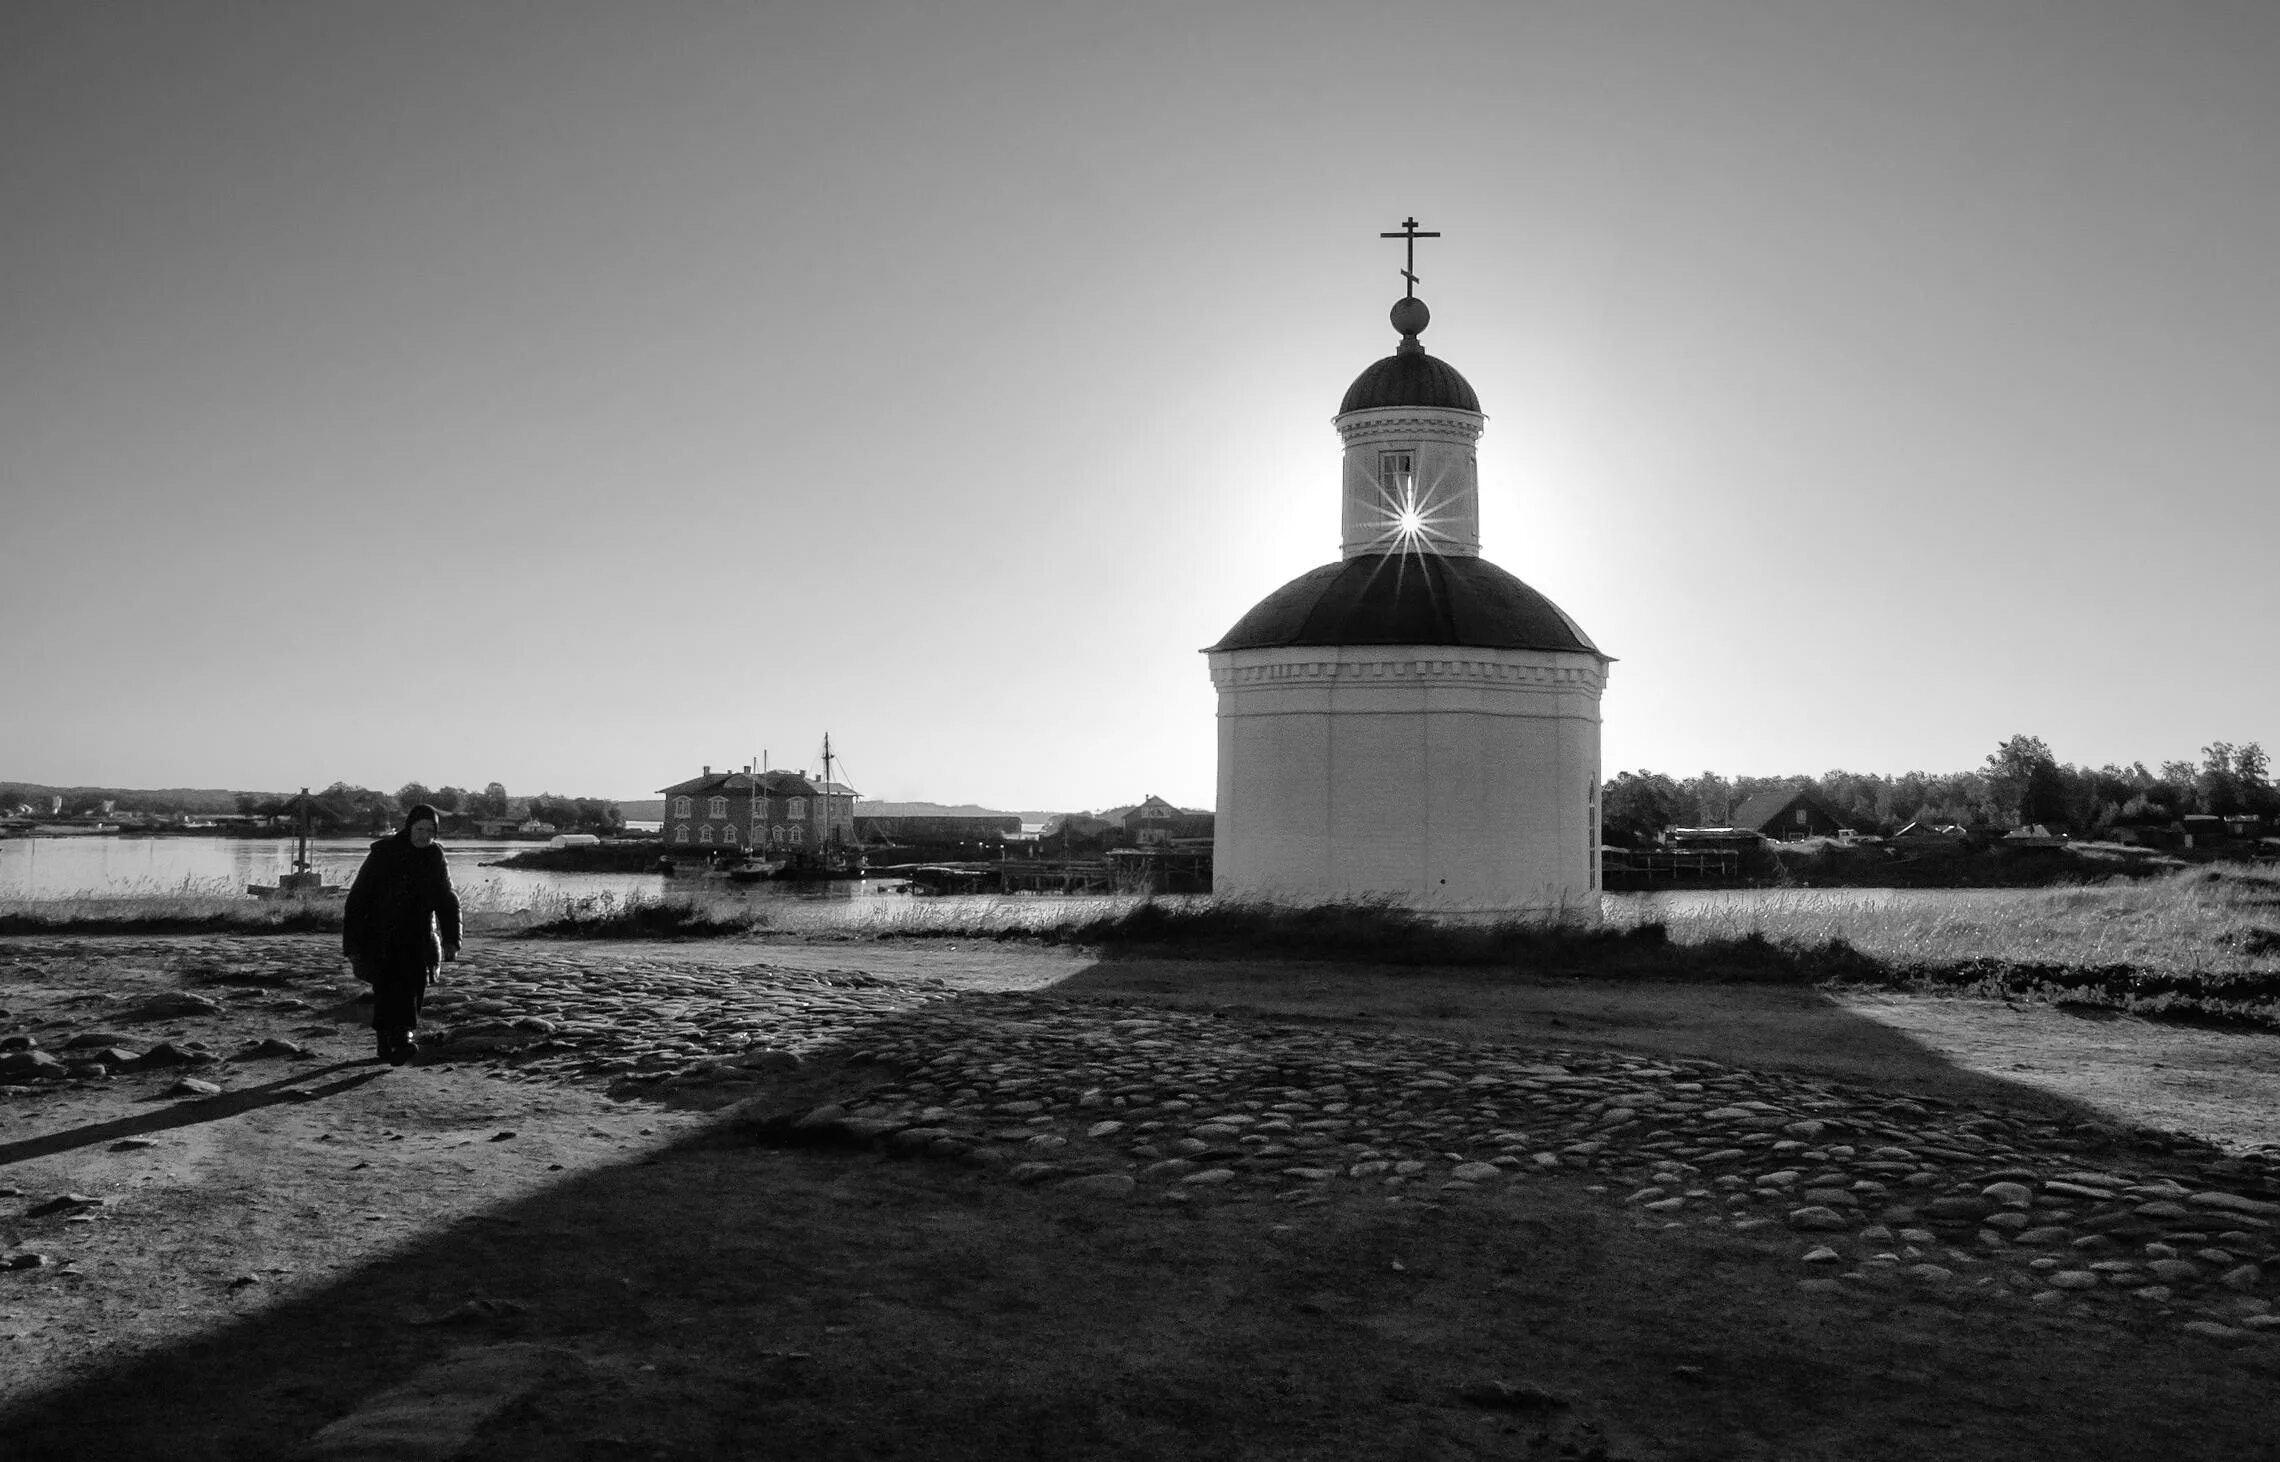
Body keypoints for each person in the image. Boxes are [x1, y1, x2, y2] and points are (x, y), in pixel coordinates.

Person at [342, 804, 461, 1065]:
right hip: (380, 936)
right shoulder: (383, 853)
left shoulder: (435, 857)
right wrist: (352, 944)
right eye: (420, 829)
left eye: (430, 831)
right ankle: (387, 1040)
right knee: (386, 988)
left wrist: (452, 939)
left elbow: (447, 899)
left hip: (419, 936)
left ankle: (403, 1038)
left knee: (413, 987)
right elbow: (358, 899)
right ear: (409, 828)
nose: (424, 835)